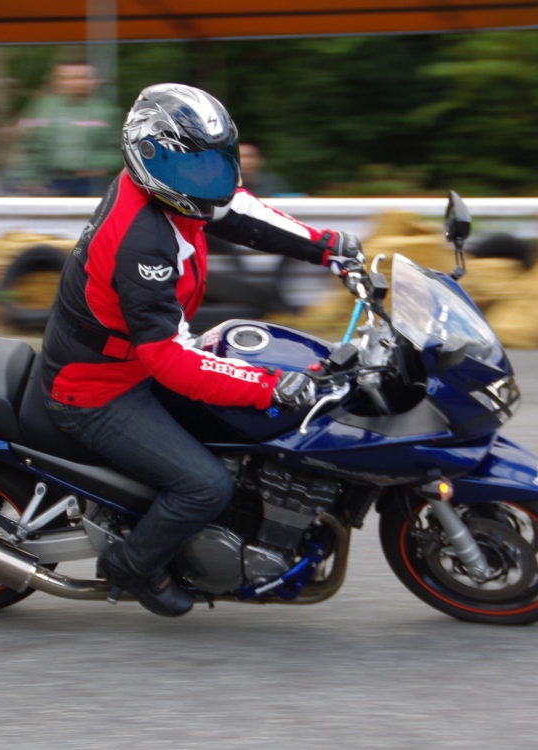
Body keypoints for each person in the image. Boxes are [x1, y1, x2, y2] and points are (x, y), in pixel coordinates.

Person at [40, 83, 363, 617]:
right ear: (150, 157)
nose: (211, 178)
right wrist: (269, 387)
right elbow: (168, 359)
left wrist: (328, 247)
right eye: (196, 166)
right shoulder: (143, 241)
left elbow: (239, 210)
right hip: (96, 388)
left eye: (217, 162)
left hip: (132, 360)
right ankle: (130, 565)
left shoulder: (174, 188)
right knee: (205, 486)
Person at [8, 62, 122, 197]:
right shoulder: (42, 109)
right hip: (47, 182)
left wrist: (98, 165)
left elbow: (119, 150)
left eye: (83, 77)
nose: (77, 82)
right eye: (69, 78)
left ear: (94, 81)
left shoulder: (107, 112)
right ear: (58, 81)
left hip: (92, 183)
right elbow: (27, 146)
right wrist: (29, 178)